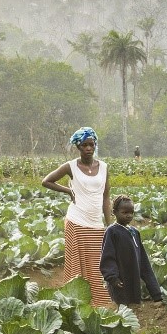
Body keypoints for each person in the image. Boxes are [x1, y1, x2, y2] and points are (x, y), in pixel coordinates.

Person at [42, 127, 113, 307]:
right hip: (76, 220)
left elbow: (106, 197)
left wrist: (109, 224)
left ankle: (99, 302)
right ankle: (76, 302)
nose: (89, 148)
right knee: (77, 263)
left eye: (91, 144)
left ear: (95, 145)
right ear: (78, 147)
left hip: (96, 223)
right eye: (84, 145)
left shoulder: (103, 167)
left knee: (97, 263)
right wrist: (67, 190)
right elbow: (46, 181)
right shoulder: (71, 166)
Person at [99, 196, 162, 306]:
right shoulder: (112, 232)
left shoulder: (134, 232)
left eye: (131, 212)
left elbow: (144, 264)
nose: (129, 215)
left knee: (133, 307)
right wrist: (112, 278)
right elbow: (107, 257)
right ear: (114, 212)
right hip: (119, 282)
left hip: (133, 280)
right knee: (121, 309)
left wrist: (156, 294)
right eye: (125, 212)